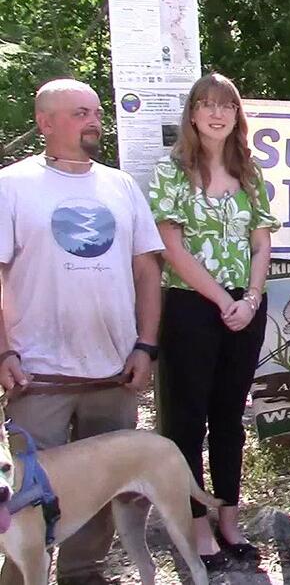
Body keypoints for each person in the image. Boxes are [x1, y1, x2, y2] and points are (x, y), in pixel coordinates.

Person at [0, 78, 164, 585]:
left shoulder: (121, 186)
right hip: (38, 374)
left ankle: (84, 573)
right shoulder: (12, 184)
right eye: (78, 113)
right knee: (28, 494)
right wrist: (5, 350)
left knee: (101, 487)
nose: (93, 121)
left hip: (112, 370)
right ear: (45, 122)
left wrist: (146, 345)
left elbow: (147, 271)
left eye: (94, 112)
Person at [147, 73, 279, 570]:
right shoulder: (171, 172)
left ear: (236, 115)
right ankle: (196, 525)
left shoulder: (251, 173)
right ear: (193, 114)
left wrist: (249, 297)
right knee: (187, 420)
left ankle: (229, 519)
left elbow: (262, 242)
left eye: (226, 106)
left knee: (230, 418)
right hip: (190, 307)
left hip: (246, 307)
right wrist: (222, 299)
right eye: (206, 105)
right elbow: (171, 247)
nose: (217, 114)